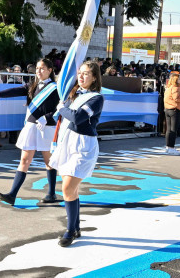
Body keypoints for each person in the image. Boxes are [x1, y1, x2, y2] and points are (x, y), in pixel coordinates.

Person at [0, 58, 61, 201]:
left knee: (49, 161)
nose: (39, 71)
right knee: (24, 160)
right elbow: (16, 90)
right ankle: (12, 195)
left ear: (50, 70)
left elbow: (60, 109)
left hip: (46, 127)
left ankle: (51, 193)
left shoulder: (56, 88)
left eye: (42, 68)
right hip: (31, 126)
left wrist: (47, 117)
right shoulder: (33, 85)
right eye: (37, 68)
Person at [47, 61, 104, 247]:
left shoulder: (97, 98)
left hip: (84, 144)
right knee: (72, 190)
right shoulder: (73, 94)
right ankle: (76, 227)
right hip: (67, 141)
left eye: (86, 74)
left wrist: (61, 108)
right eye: (80, 73)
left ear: (94, 77)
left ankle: (70, 231)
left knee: (67, 189)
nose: (81, 76)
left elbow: (77, 117)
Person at [163, 72, 180, 155]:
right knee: (173, 130)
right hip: (174, 109)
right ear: (176, 80)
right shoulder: (176, 88)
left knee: (169, 130)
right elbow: (177, 99)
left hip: (168, 109)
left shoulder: (168, 87)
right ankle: (171, 147)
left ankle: (168, 147)